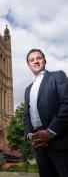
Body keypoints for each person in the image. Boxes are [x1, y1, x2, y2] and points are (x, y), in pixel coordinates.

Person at [24, 49, 68, 177]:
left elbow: (66, 103)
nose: (36, 61)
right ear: (28, 65)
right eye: (32, 60)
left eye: (39, 58)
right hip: (38, 144)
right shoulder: (28, 89)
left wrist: (50, 132)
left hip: (59, 139)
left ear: (44, 60)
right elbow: (26, 116)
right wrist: (30, 135)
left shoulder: (57, 75)